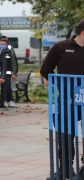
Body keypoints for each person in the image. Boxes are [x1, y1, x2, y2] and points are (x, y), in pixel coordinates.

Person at [41, 18, 84, 180]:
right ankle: (65, 168)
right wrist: (60, 85)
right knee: (65, 134)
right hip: (68, 100)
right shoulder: (60, 47)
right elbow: (46, 69)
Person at [0, 37, 18, 108]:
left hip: (7, 74)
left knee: (4, 89)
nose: (2, 45)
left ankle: (2, 103)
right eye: (1, 44)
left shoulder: (10, 52)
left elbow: (14, 63)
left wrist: (14, 73)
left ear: (7, 45)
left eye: (4, 44)